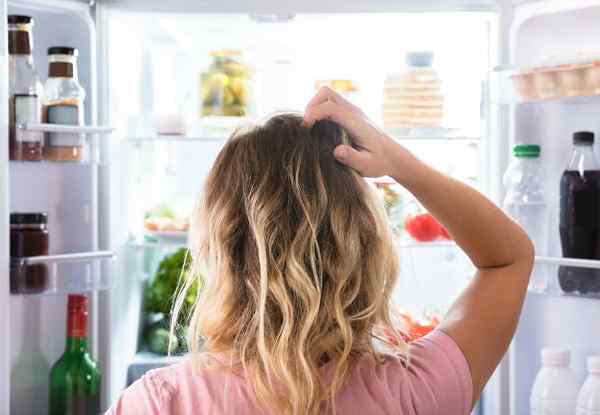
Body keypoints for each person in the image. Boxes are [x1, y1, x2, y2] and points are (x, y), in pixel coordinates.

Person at [107, 87, 533, 415]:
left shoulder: (160, 402)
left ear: (220, 246)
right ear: (364, 244)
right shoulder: (417, 389)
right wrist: (397, 161)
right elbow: (508, 260)